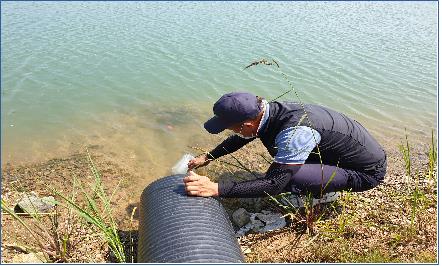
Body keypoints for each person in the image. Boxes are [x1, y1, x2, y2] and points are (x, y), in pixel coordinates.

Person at [183, 92, 387, 202]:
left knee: (288, 178)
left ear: (247, 123)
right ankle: (319, 176)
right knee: (282, 163)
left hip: (365, 172)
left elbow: (273, 184)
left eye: (233, 128)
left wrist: (216, 188)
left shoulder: (295, 133)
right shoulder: (266, 112)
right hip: (339, 153)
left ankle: (323, 194)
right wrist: (208, 157)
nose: (233, 133)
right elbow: (242, 138)